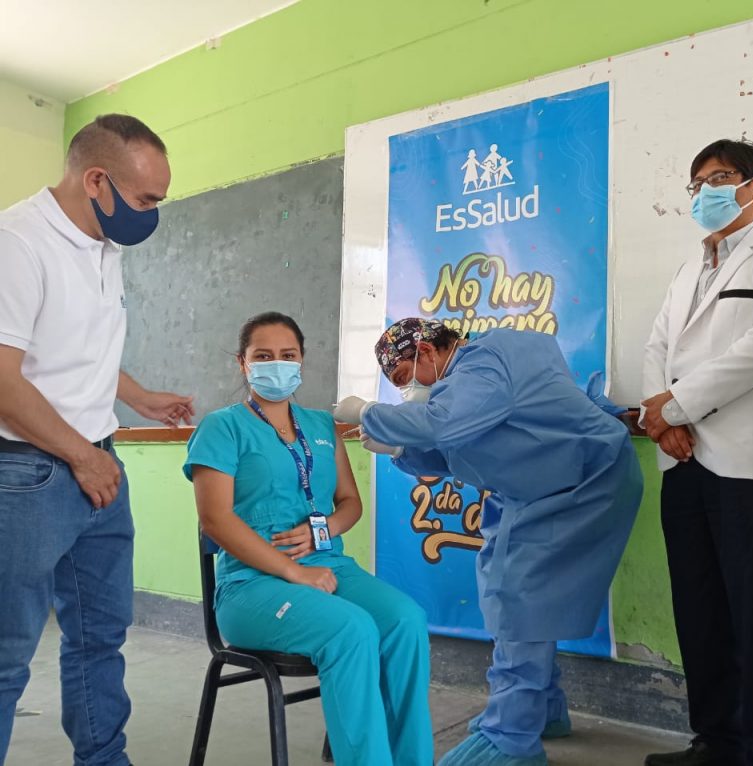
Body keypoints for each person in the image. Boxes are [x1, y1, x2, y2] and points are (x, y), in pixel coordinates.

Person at [335, 319, 643, 766]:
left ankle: (511, 735)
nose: (406, 391)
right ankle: (541, 707)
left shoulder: (491, 358)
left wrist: (367, 412)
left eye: (404, 378)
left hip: (583, 481)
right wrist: (402, 450)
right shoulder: (467, 381)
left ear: (427, 351)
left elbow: (445, 423)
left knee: (521, 597)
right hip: (533, 489)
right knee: (504, 588)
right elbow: (459, 448)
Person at [0, 114, 195, 765]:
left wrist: (137, 398)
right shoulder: (17, 243)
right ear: (95, 180)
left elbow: (73, 348)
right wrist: (82, 457)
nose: (151, 214)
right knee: (6, 655)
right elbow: (3, 380)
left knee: (100, 638)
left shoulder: (105, 242)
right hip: (28, 475)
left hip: (97, 469)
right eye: (146, 198)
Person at [641, 139, 753, 766]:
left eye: (719, 178)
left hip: (749, 460)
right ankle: (717, 743)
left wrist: (675, 409)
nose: (705, 193)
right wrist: (660, 420)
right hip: (683, 458)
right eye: (697, 184)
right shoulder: (687, 269)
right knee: (700, 609)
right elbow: (657, 348)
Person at [184, 311, 433, 766]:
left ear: (301, 360)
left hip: (328, 568)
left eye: (287, 355)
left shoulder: (321, 426)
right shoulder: (222, 428)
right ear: (242, 362)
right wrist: (293, 571)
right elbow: (215, 520)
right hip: (251, 586)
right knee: (351, 629)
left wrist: (324, 531)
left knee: (406, 621)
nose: (276, 364)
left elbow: (349, 503)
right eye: (263, 356)